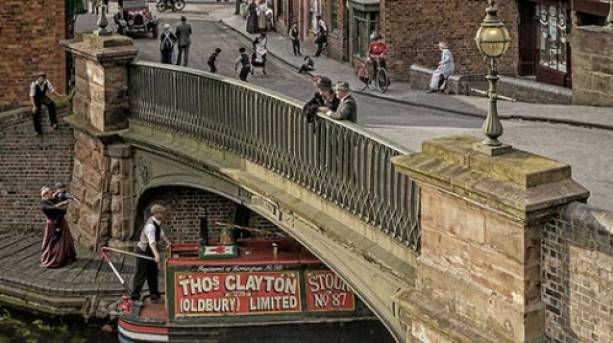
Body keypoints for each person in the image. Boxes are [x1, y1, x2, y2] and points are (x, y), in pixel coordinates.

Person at [131, 204, 172, 302]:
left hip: (150, 251)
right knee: (141, 274)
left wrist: (168, 243)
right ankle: (135, 296)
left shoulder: (156, 223)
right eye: (162, 213)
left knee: (153, 273)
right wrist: (157, 255)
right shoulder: (151, 226)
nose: (164, 214)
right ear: (157, 213)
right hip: (144, 251)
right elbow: (152, 242)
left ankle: (154, 295)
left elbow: (161, 234)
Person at [40, 187, 77, 268]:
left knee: (65, 240)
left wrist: (65, 196)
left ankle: (66, 257)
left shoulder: (52, 199)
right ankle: (54, 259)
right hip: (52, 225)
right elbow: (53, 207)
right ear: (45, 195)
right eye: (50, 193)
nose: (52, 193)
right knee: (54, 242)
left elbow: (60, 198)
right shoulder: (44, 204)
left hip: (61, 222)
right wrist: (63, 203)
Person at [30, 72, 58, 136]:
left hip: (43, 97)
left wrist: (60, 96)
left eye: (43, 78)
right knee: (35, 113)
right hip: (36, 99)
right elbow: (31, 96)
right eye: (40, 78)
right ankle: (37, 131)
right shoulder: (33, 84)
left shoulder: (47, 82)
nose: (42, 79)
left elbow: (52, 91)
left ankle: (53, 122)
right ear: (38, 78)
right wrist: (34, 106)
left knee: (51, 103)